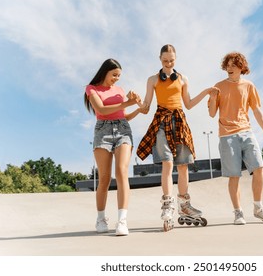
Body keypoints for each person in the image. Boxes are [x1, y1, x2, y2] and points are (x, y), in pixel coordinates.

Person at [137, 44, 217, 231]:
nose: (168, 63)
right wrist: (137, 102)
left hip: (180, 121)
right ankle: (167, 205)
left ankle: (184, 206)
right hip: (161, 121)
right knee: (167, 163)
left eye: (171, 60)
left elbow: (188, 104)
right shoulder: (153, 80)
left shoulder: (182, 79)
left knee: (183, 165)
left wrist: (206, 92)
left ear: (176, 59)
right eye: (165, 60)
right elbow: (147, 106)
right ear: (160, 59)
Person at [208, 51, 263, 225]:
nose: (229, 68)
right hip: (227, 135)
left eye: (233, 65)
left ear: (242, 67)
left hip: (247, 132)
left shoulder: (249, 86)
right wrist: (211, 98)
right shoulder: (218, 86)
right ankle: (238, 213)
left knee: (259, 168)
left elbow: (256, 111)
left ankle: (258, 208)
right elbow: (211, 114)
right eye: (228, 65)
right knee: (234, 176)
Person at [84, 58, 141, 236]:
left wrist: (138, 108)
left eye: (119, 76)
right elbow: (101, 110)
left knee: (122, 171)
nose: (117, 79)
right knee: (105, 178)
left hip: (123, 130)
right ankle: (101, 218)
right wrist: (127, 103)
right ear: (105, 72)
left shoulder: (119, 90)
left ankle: (122, 221)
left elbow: (122, 115)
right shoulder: (91, 89)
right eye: (114, 75)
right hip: (103, 132)